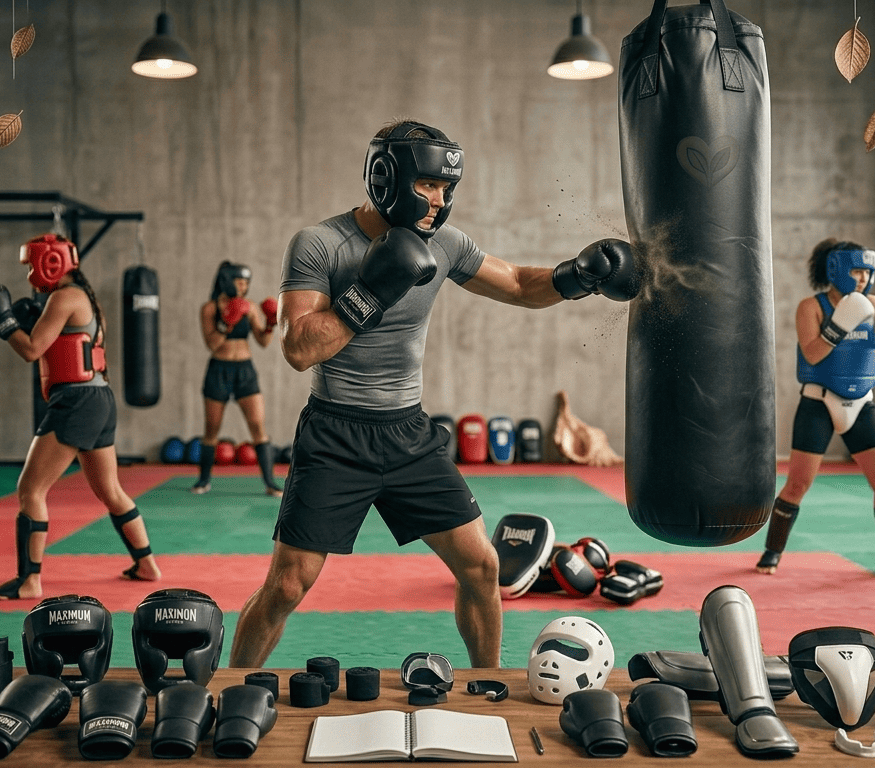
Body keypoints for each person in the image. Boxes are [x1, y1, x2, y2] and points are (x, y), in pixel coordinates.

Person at [228, 119, 641, 668]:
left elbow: (517, 283)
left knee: (483, 566)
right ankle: (230, 690)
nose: (438, 202)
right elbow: (299, 348)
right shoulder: (321, 243)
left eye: (447, 189)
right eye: (427, 186)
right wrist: (371, 290)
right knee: (286, 586)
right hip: (335, 433)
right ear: (386, 177)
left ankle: (489, 688)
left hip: (408, 434)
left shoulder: (443, 243)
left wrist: (574, 277)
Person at [0, 233, 162, 600]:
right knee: (110, 490)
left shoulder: (64, 297)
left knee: (30, 489)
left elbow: (31, 349)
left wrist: (5, 322)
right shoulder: (83, 298)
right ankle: (146, 563)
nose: (27, 275)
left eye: (29, 266)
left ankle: (29, 581)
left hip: (76, 402)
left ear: (50, 262)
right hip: (99, 398)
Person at [756, 239, 875, 578]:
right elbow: (811, 354)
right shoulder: (813, 307)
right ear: (835, 270)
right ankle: (772, 551)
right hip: (819, 402)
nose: (864, 278)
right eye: (856, 270)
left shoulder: (874, 305)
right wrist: (840, 325)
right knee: (798, 484)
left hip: (861, 403)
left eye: (868, 271)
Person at [193, 261, 283, 496]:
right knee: (211, 428)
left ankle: (270, 483)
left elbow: (262, 342)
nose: (244, 287)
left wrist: (271, 324)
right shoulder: (210, 309)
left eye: (246, 283)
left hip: (245, 370)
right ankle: (203, 481)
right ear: (226, 281)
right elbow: (212, 344)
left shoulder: (250, 306)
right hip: (218, 369)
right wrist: (227, 322)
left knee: (257, 426)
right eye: (239, 281)